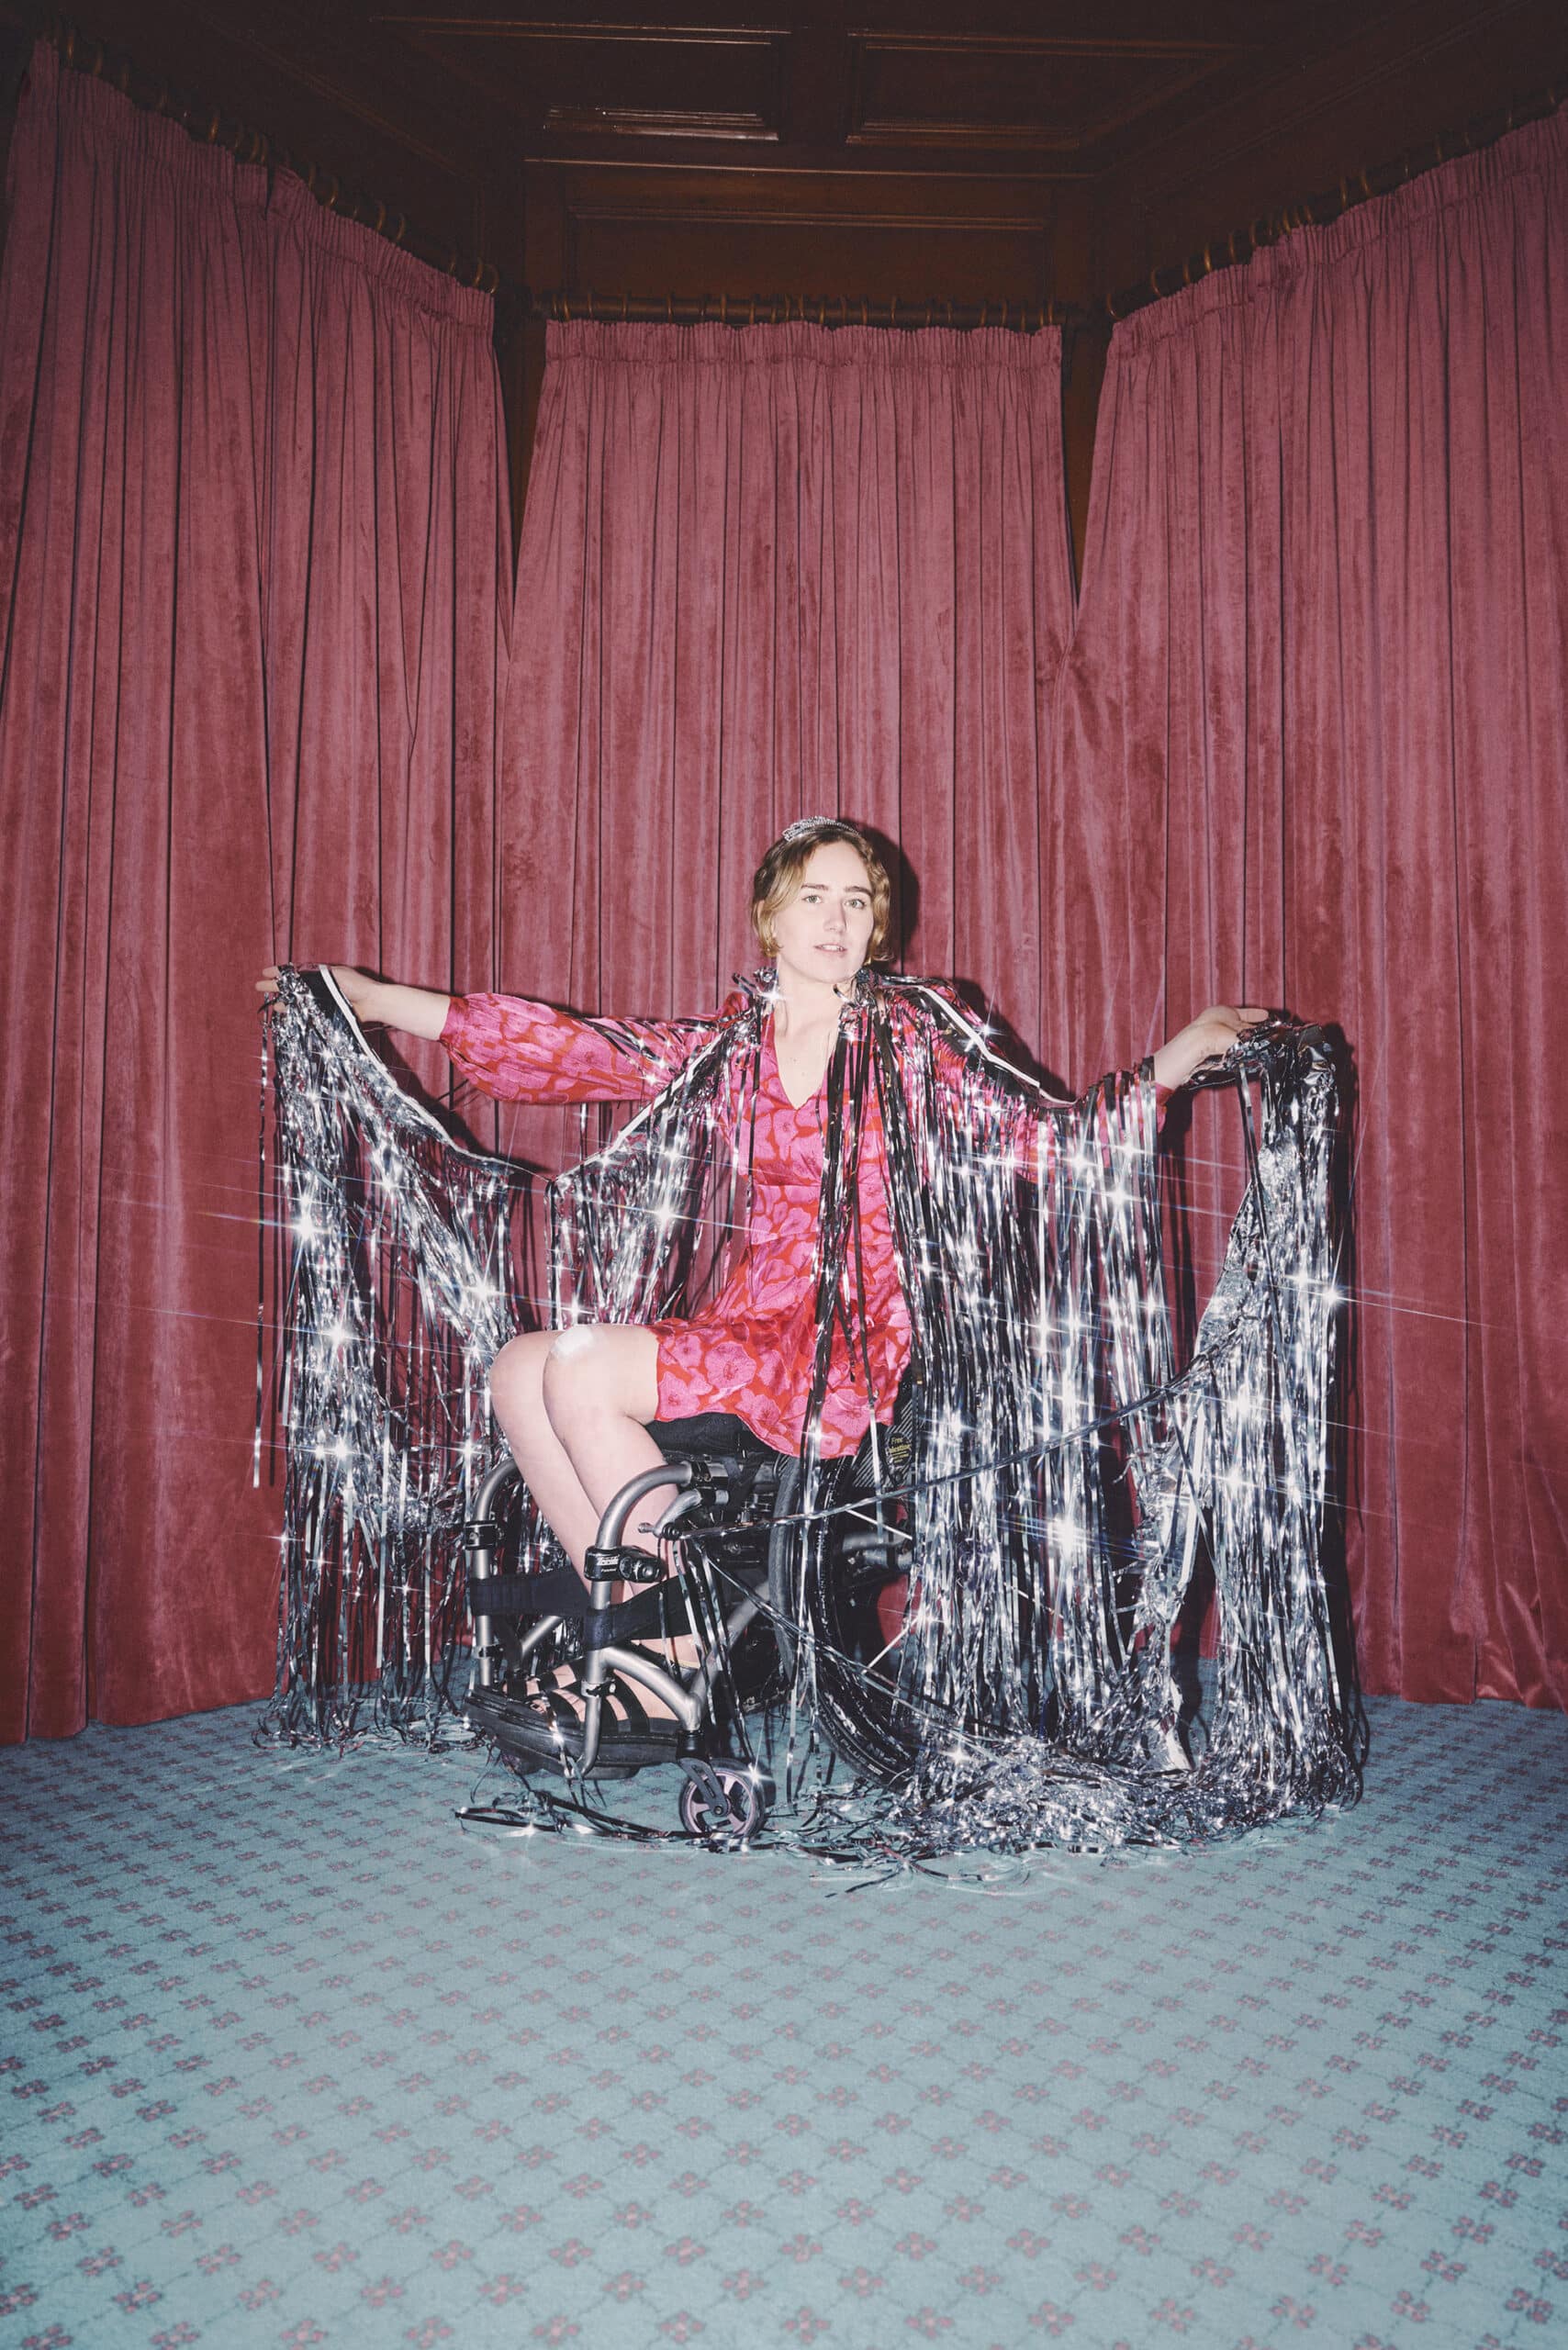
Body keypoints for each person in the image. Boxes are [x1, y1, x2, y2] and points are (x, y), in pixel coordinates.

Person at [260, 817, 1260, 1732]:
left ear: (878, 928)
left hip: (852, 1337)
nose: (837, 920)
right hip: (756, 1317)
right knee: (518, 1370)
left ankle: (672, 1656)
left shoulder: (914, 1034)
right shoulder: (733, 1047)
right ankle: (636, 1632)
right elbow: (574, 1050)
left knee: (575, 1368)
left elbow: (1045, 1141)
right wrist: (373, 1001)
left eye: (857, 901)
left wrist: (1177, 1057)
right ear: (770, 916)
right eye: (814, 897)